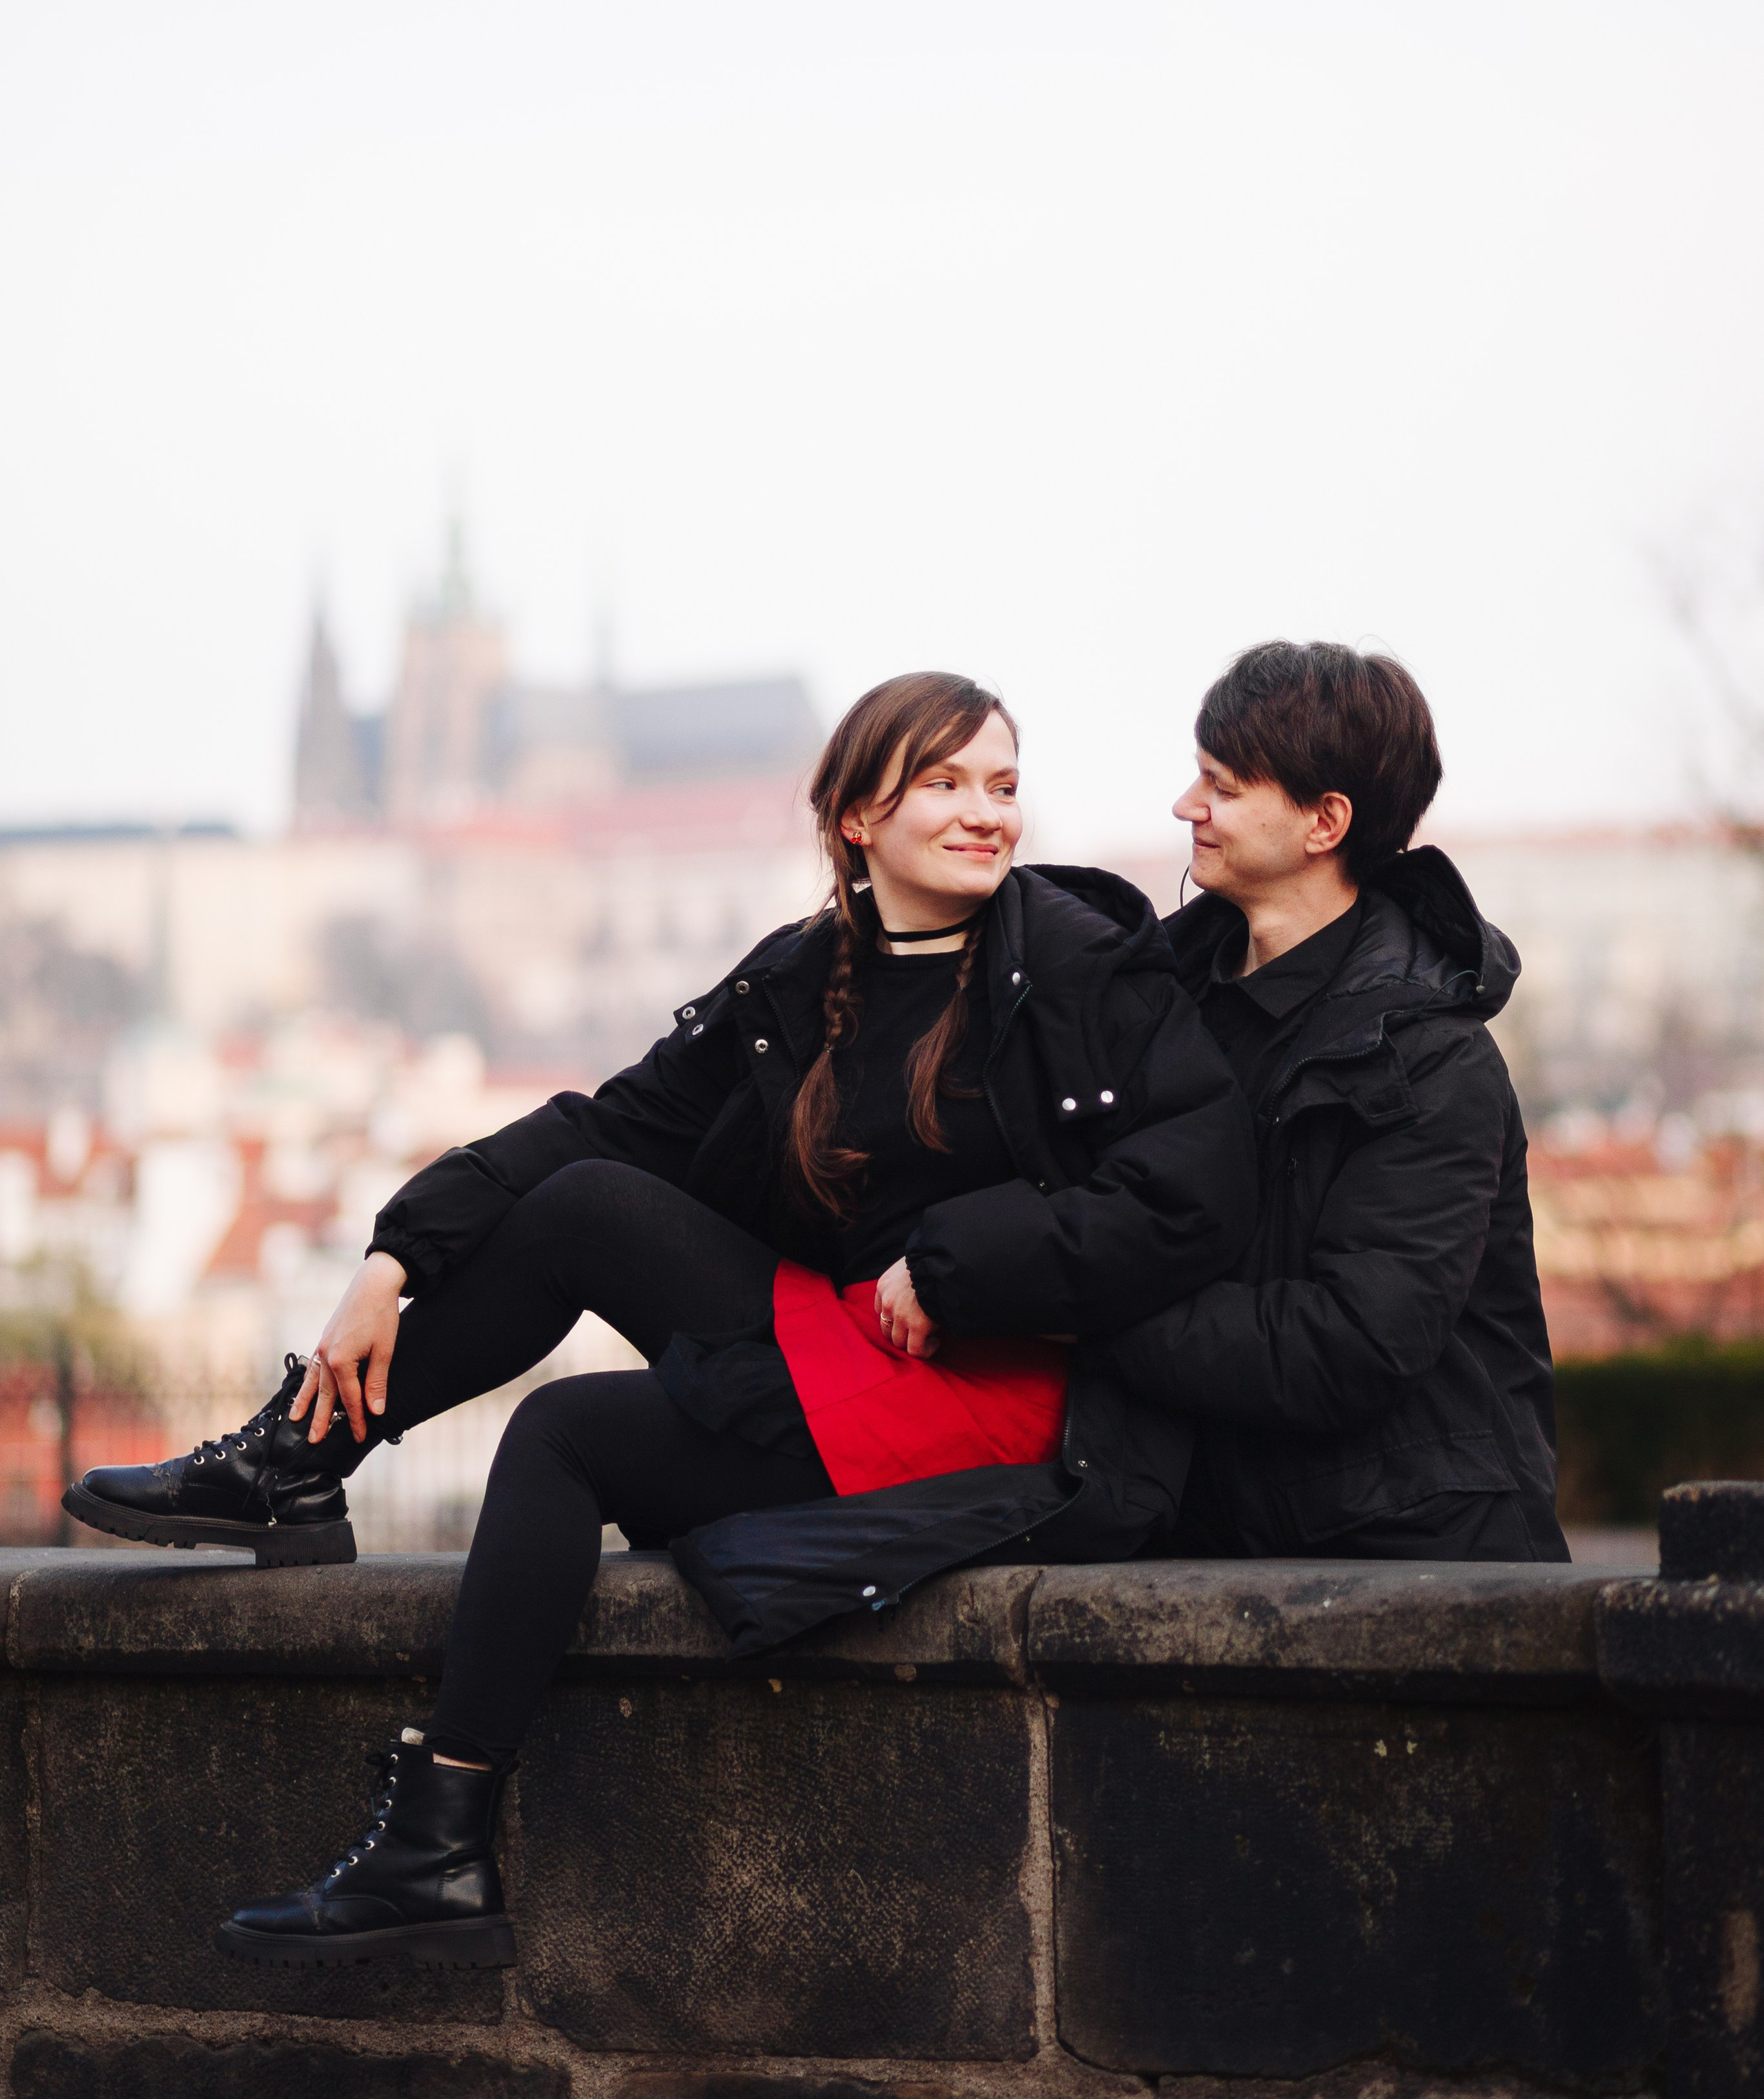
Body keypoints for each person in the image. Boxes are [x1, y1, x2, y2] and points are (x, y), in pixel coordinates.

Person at [70, 670, 1256, 1969]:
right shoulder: (807, 977)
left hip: (1000, 1399)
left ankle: (437, 1840)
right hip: (852, 1344)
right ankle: (300, 1461)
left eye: (1005, 786)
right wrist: (394, 1257)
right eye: (949, 784)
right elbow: (607, 1125)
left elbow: (1197, 1194)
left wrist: (969, 1264)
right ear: (859, 816)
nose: (989, 816)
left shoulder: (1079, 964)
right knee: (587, 1199)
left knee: (567, 1435)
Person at [1098, 640, 1568, 1564]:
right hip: (1218, 1543)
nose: (1187, 806)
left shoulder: (1430, 1055)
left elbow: (1355, 1342)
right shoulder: (1156, 1010)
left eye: (1223, 787)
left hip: (1418, 1558)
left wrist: (1079, 1317)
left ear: (1325, 823)